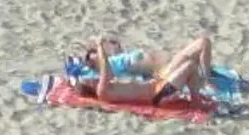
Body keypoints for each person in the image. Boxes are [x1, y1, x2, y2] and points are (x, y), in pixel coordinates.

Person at [65, 35, 216, 106]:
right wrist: (99, 45)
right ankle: (196, 102)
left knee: (201, 43)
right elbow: (104, 67)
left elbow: (107, 69)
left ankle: (199, 92)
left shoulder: (106, 86)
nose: (91, 78)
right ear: (89, 87)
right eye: (88, 81)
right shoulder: (102, 92)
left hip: (158, 82)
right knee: (189, 65)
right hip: (157, 95)